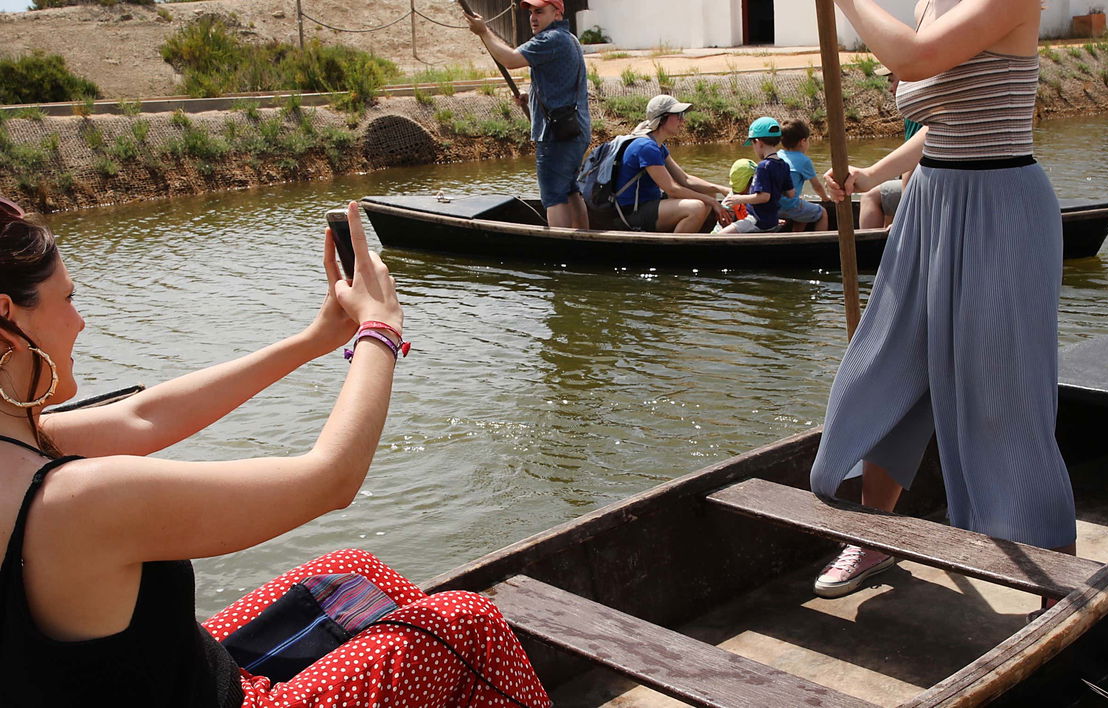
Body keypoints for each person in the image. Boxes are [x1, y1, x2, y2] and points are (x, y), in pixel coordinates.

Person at [0, 197, 552, 707]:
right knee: (466, 621)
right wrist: (381, 330)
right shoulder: (76, 500)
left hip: (174, 675)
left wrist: (316, 338)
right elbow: (331, 479)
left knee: (355, 572)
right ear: (8, 322)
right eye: (67, 298)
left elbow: (143, 417)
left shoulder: (22, 445)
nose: (80, 321)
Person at [808, 0, 1077, 611]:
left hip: (1001, 207)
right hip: (932, 202)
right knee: (886, 367)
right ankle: (876, 534)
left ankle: (1050, 566)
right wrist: (876, 174)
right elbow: (945, 115)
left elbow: (915, 59)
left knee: (1004, 398)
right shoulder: (931, 3)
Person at [466, 0, 591, 230]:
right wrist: (530, 96)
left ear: (557, 13)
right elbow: (559, 82)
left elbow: (510, 60)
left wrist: (484, 32)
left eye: (540, 12)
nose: (533, 17)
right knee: (570, 189)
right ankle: (583, 238)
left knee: (554, 196)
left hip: (557, 134)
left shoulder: (550, 39)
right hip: (576, 130)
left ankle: (562, 250)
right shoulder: (569, 39)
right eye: (532, 12)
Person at [612, 94, 731, 233]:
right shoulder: (646, 147)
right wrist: (712, 203)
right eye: (679, 115)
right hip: (632, 213)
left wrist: (720, 189)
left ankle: (690, 236)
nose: (683, 121)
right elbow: (672, 189)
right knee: (696, 208)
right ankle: (674, 250)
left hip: (649, 203)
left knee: (709, 193)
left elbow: (685, 179)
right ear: (663, 118)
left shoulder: (658, 146)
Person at [856, 67, 922, 229]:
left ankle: (872, 248)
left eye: (893, 80)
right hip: (926, 183)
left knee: (870, 196)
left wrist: (905, 217)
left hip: (926, 186)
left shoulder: (916, 110)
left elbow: (911, 165)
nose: (891, 89)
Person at [719, 117, 794, 235]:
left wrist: (738, 199)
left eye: (753, 144)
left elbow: (764, 197)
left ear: (758, 142)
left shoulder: (763, 166)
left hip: (757, 220)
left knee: (721, 235)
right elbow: (791, 194)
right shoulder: (784, 165)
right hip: (772, 219)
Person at [777, 119, 831, 232]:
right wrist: (825, 198)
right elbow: (817, 186)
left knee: (804, 208)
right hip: (789, 206)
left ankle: (796, 236)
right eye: (808, 140)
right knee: (823, 213)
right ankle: (820, 243)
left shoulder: (777, 156)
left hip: (774, 206)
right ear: (803, 141)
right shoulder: (804, 161)